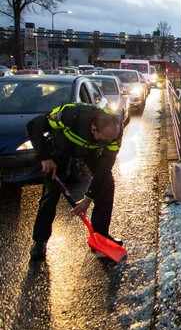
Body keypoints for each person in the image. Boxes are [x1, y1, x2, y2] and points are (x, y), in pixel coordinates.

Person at [27, 102, 122, 260]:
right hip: (61, 149)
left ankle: (100, 237)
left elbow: (104, 168)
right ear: (94, 129)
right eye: (104, 140)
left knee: (106, 185)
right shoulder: (68, 115)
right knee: (51, 194)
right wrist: (45, 157)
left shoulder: (114, 130)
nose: (108, 143)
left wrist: (88, 198)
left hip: (90, 152)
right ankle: (40, 241)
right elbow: (33, 126)